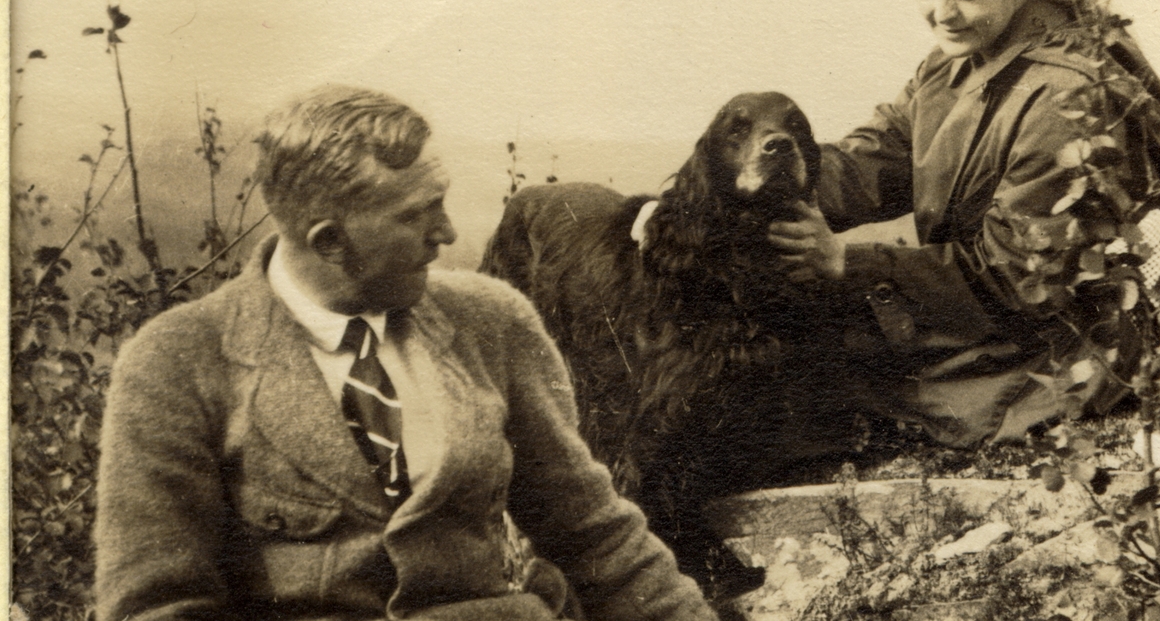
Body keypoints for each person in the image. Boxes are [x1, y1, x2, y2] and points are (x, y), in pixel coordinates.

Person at [95, 85, 718, 621]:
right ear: (330, 240)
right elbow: (158, 606)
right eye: (418, 215)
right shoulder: (178, 362)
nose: (447, 233)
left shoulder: (490, 321)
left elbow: (597, 539)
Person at [769, 0, 1160, 448]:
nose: (942, 12)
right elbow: (877, 156)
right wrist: (738, 185)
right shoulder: (963, 57)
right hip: (981, 312)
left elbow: (1021, 278)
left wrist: (849, 262)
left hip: (1053, 349)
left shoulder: (1063, 98)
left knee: (804, 380)